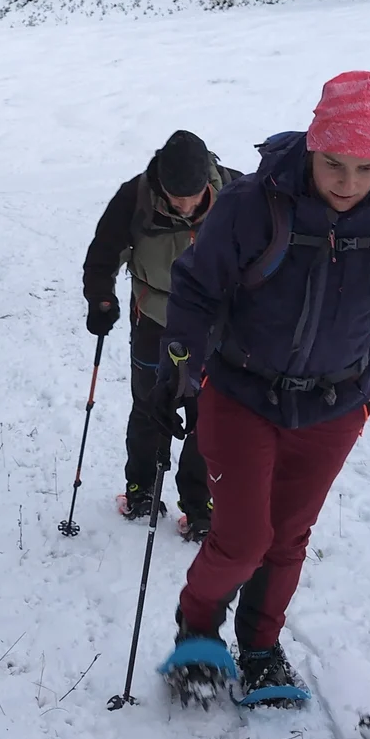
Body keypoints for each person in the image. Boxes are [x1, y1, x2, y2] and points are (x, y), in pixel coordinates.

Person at [149, 72, 370, 704]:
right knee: (243, 537)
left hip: (334, 405)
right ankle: (197, 633)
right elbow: (195, 288)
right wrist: (183, 362)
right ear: (312, 142)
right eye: (334, 163)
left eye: (366, 167)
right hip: (241, 394)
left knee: (287, 538)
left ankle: (259, 647)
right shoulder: (253, 204)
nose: (348, 182)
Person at [82, 130, 241, 539]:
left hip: (215, 326)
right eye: (175, 197)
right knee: (150, 406)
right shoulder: (134, 197)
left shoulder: (239, 193)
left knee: (208, 416)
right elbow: (102, 256)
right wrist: (101, 300)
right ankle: (141, 490)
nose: (185, 206)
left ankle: (200, 504)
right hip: (155, 319)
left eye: (192, 196)